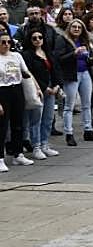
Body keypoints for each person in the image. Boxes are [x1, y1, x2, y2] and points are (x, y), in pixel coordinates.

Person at [21, 30, 60, 160]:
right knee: (36, 119)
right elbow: (30, 73)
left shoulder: (48, 53)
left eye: (40, 37)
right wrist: (44, 87)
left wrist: (57, 85)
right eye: (34, 38)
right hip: (37, 90)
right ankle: (36, 146)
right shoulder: (27, 55)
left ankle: (45, 144)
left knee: (48, 118)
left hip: (51, 89)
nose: (38, 40)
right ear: (30, 40)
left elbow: (55, 70)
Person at [0, 32, 35, 171]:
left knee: (18, 123)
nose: (6, 45)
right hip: (2, 91)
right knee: (2, 126)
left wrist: (36, 87)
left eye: (9, 42)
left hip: (17, 89)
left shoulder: (16, 56)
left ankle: (18, 154)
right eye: (3, 42)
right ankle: (0, 158)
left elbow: (26, 73)